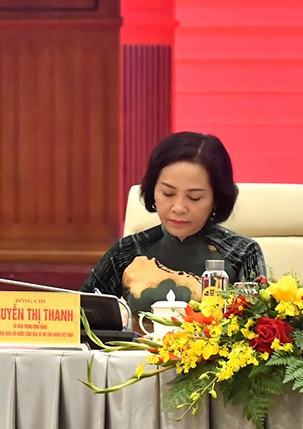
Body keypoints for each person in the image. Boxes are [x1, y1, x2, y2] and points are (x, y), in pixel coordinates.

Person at [84, 131, 266, 312]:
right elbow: (82, 314)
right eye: (168, 193)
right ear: (153, 191)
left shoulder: (241, 253)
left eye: (194, 197)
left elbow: (255, 322)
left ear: (216, 199)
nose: (179, 207)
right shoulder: (126, 252)